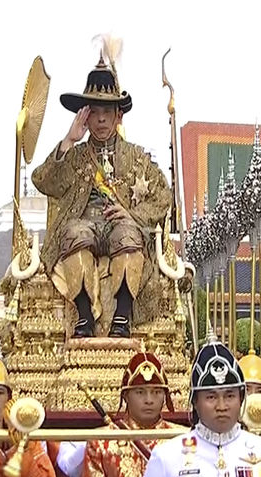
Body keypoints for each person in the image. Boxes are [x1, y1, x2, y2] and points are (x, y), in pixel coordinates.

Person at [31, 48, 172, 338]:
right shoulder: (76, 155)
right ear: (86, 116)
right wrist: (69, 139)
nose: (101, 121)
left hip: (121, 229)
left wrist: (132, 215)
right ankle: (84, 317)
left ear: (118, 115)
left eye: (107, 112)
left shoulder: (136, 158)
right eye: (94, 113)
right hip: (85, 227)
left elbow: (163, 197)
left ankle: (122, 319)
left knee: (128, 236)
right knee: (74, 233)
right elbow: (43, 181)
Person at [135, 339, 261, 477]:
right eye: (211, 397)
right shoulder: (167, 457)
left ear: (241, 399)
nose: (221, 406)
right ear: (195, 402)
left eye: (229, 396)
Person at [80, 351, 181, 477]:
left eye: (156, 392)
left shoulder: (180, 439)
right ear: (126, 396)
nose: (149, 400)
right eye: (140, 392)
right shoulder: (102, 442)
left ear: (165, 396)